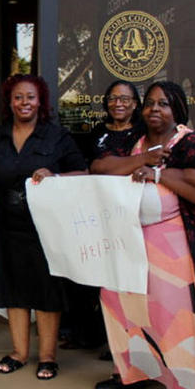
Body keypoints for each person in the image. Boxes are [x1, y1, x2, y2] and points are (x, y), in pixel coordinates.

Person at [92, 81, 195, 389]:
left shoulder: (190, 143)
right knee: (124, 307)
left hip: (174, 250)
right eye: (150, 104)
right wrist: (143, 160)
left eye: (164, 104)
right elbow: (100, 168)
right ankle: (135, 373)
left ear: (177, 110)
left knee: (173, 319)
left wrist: (160, 174)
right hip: (131, 245)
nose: (155, 109)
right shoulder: (135, 141)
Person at [0, 74, 87, 379]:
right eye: (18, 97)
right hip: (5, 224)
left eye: (30, 97)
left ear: (40, 101)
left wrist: (55, 176)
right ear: (10, 101)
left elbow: (82, 172)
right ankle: (19, 352)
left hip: (45, 227)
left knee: (46, 290)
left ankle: (47, 357)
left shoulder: (56, 137)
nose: (24, 103)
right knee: (12, 290)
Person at [61, 80, 145, 354]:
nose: (118, 103)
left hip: (131, 215)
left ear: (135, 103)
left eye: (125, 99)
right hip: (96, 215)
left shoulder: (144, 134)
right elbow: (87, 169)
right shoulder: (96, 132)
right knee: (93, 276)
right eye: (112, 98)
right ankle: (88, 334)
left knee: (123, 279)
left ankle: (122, 342)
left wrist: (109, 168)